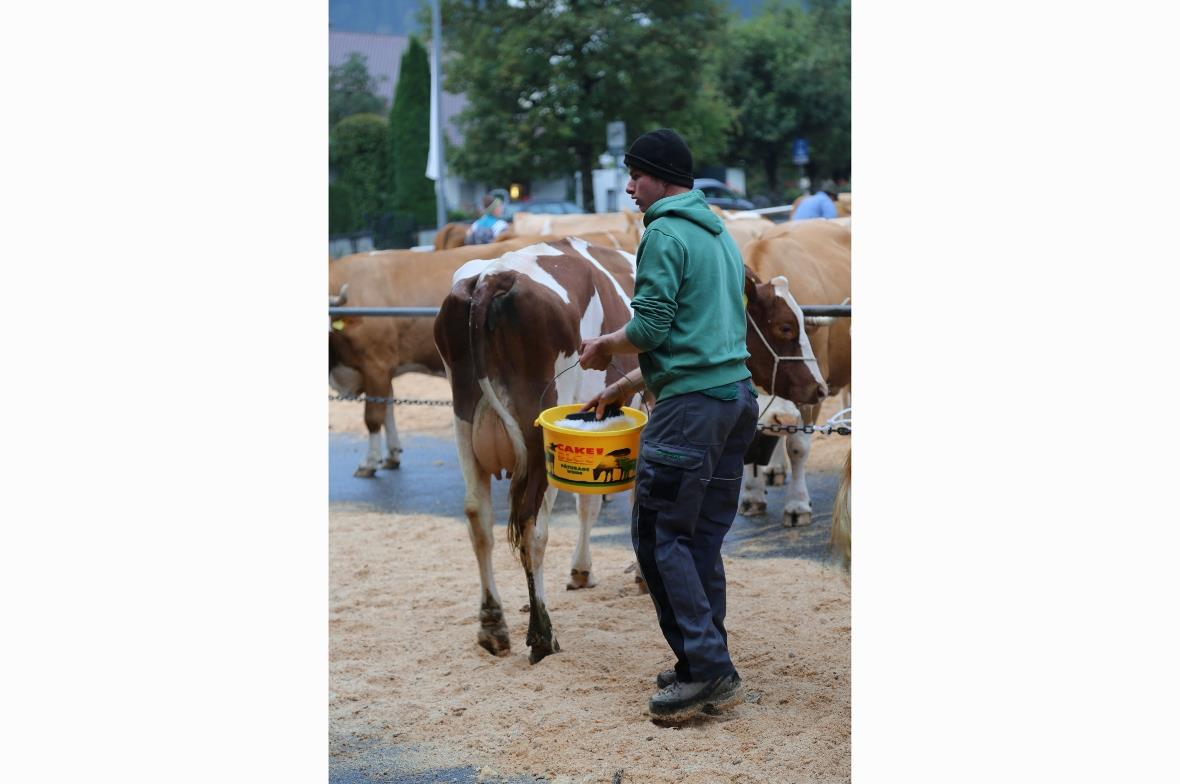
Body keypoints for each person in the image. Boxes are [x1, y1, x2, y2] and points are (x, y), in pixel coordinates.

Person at [577, 128, 758, 721]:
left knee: (660, 537)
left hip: (689, 413)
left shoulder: (662, 233)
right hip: (735, 399)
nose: (630, 188)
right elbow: (703, 334)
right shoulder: (717, 232)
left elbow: (651, 328)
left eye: (636, 176)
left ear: (661, 178)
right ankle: (706, 660)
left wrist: (605, 346)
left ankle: (706, 670)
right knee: (700, 539)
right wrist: (625, 386)